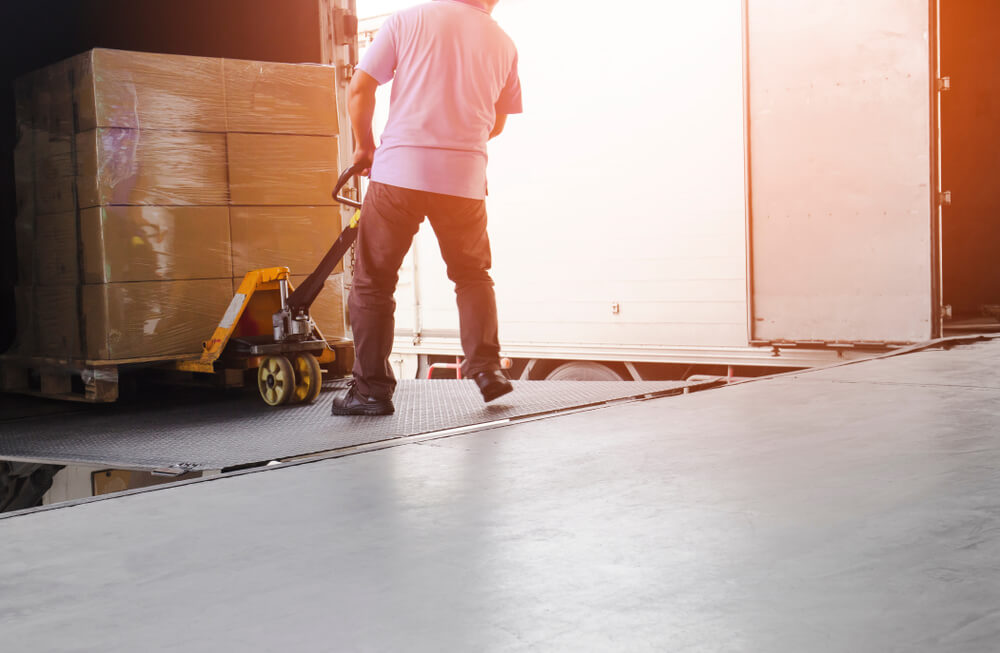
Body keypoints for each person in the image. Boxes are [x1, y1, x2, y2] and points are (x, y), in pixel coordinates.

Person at [331, 0, 522, 416]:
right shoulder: (503, 43)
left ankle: (371, 392)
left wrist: (366, 147)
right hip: (464, 180)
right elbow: (498, 122)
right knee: (473, 275)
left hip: (400, 172)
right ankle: (488, 370)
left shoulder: (407, 20)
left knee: (374, 282)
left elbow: (361, 87)